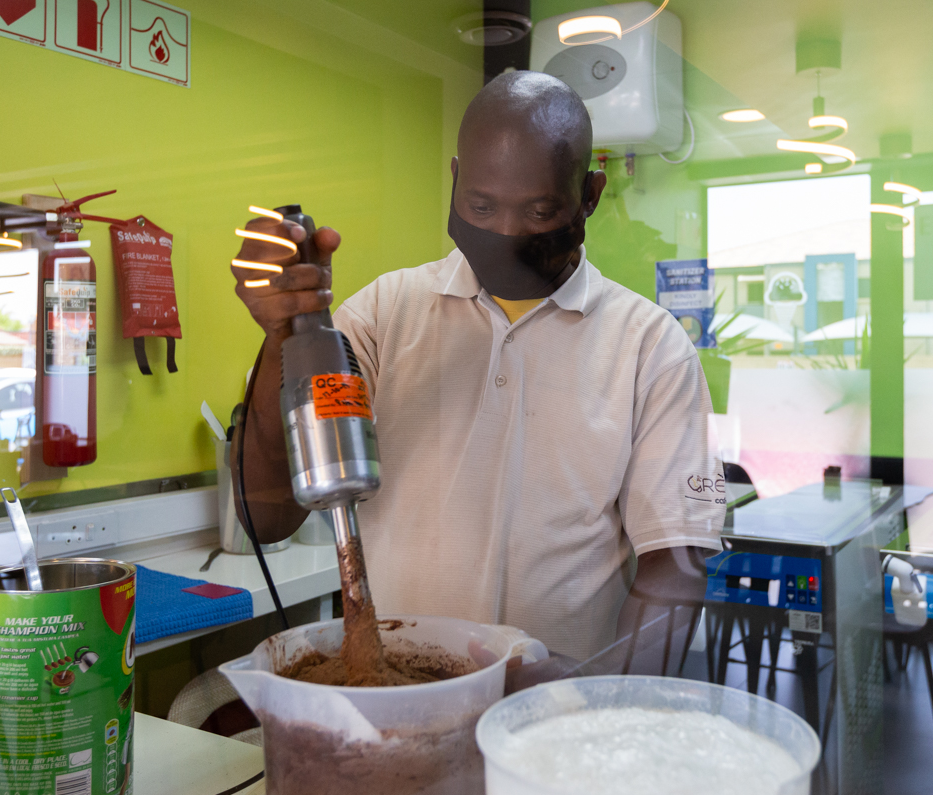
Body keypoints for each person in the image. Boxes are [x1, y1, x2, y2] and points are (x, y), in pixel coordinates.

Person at [230, 71, 725, 683]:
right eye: (482, 207)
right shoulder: (386, 315)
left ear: (589, 195)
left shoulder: (649, 347)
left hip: (556, 719)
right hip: (400, 698)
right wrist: (284, 336)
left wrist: (602, 693)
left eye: (541, 211)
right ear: (456, 179)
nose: (509, 234)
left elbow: (676, 569)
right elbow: (267, 517)